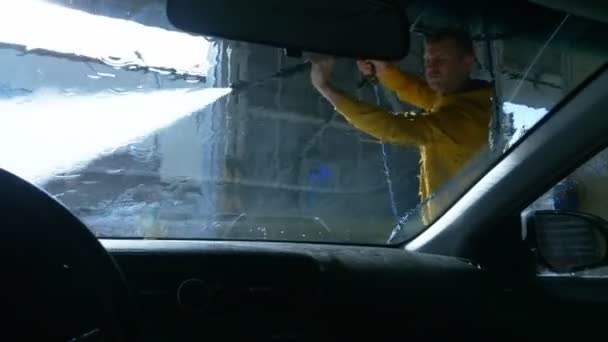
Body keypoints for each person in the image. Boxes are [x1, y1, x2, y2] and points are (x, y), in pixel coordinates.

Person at [310, 29, 494, 222]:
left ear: (468, 62)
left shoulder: (464, 117)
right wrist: (381, 68)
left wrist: (325, 87)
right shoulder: (470, 99)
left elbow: (392, 126)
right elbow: (418, 91)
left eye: (441, 60)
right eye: (428, 61)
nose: (431, 69)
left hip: (460, 231)